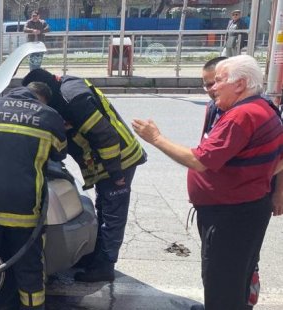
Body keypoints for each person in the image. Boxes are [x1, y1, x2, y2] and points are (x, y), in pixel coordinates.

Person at [132, 55, 283, 310]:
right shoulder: (261, 107)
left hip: (230, 215)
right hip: (243, 209)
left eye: (218, 82)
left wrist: (156, 138)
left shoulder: (242, 115)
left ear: (240, 84)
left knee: (222, 284)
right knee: (234, 279)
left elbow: (200, 160)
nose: (212, 88)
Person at [22, 69, 147, 283]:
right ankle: (96, 258)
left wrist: (115, 174)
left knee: (112, 215)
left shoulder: (73, 98)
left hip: (118, 159)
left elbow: (105, 136)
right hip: (107, 161)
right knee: (104, 208)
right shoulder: (65, 89)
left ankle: (105, 266)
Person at [0, 82, 67, 309]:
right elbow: (59, 154)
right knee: (30, 271)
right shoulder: (49, 117)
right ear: (42, 100)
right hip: (26, 212)